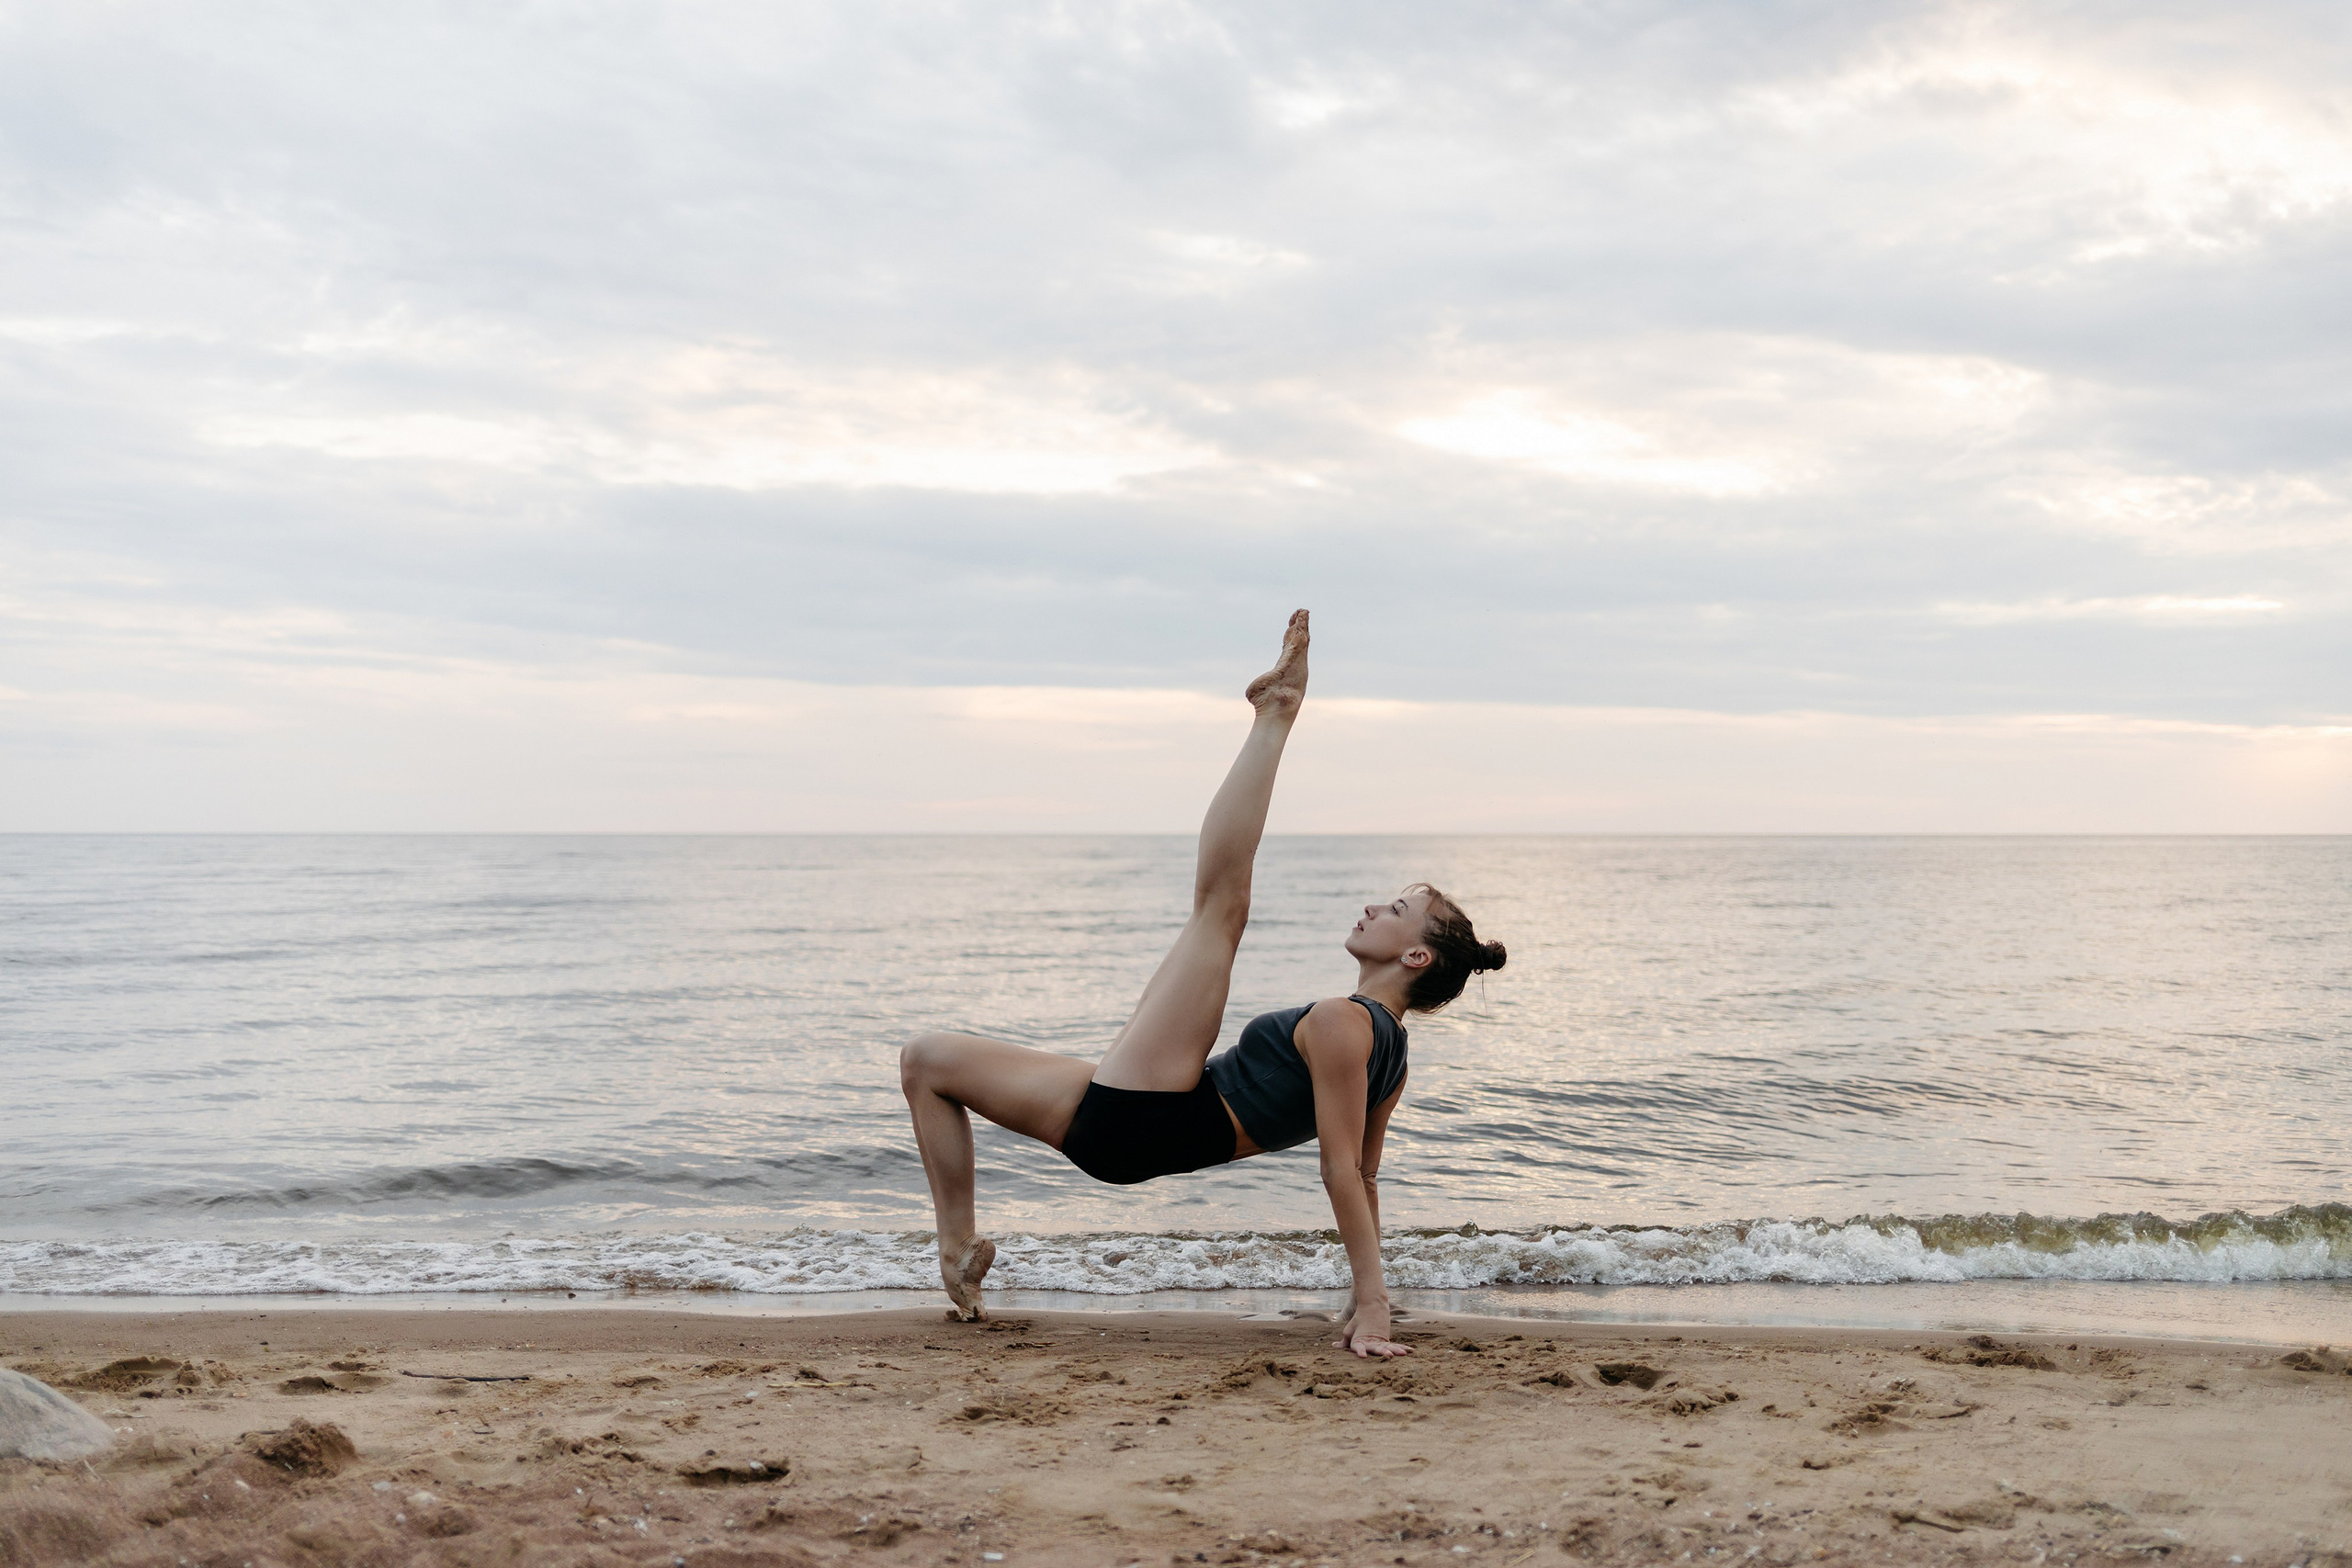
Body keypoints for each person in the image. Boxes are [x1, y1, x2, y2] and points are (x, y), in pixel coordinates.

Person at [898, 610, 1507, 1357]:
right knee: (927, 1061)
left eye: (1399, 911)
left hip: (1145, 1117)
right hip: (1128, 1120)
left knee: (1221, 909)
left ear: (1415, 958)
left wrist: (1374, 1305)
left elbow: (1342, 1171)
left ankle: (1276, 714)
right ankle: (957, 1251)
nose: (1377, 905)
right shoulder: (1392, 1052)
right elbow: (1366, 1177)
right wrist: (1363, 1297)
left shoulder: (1348, 1024)